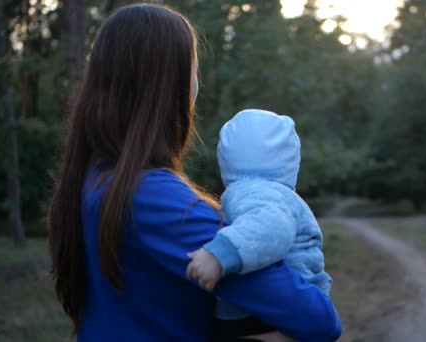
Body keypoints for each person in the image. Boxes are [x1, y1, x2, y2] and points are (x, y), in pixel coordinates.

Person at [47, 3, 342, 342]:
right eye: (193, 70)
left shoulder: (95, 178)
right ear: (169, 84)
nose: (197, 85)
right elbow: (318, 317)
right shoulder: (153, 197)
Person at [187, 109, 333, 342]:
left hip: (268, 317)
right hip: (286, 310)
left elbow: (272, 230)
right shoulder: (277, 194)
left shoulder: (255, 191)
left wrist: (219, 255)